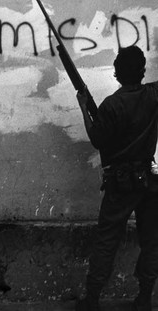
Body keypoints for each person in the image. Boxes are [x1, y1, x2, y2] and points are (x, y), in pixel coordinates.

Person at [75, 45, 158, 311]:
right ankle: (145, 297)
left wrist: (84, 110)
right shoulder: (154, 94)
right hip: (150, 182)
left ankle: (92, 300)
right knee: (152, 241)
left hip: (122, 184)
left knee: (107, 241)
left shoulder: (111, 106)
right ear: (143, 71)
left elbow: (98, 140)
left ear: (116, 73)